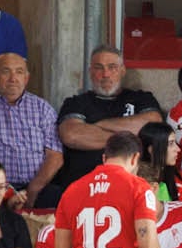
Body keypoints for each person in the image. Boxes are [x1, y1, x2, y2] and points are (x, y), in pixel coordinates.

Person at [51, 45, 163, 200]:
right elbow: (72, 135)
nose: (105, 74)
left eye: (112, 67)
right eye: (99, 68)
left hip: (133, 187)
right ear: (90, 72)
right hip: (84, 188)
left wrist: (97, 125)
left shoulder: (141, 98)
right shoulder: (76, 103)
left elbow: (153, 123)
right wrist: (130, 139)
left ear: (122, 71)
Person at [0, 53, 64, 208]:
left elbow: (55, 156)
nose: (13, 78)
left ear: (26, 78)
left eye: (19, 72)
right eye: (6, 71)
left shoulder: (43, 109)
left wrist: (33, 189)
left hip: (35, 185)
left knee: (62, 198)